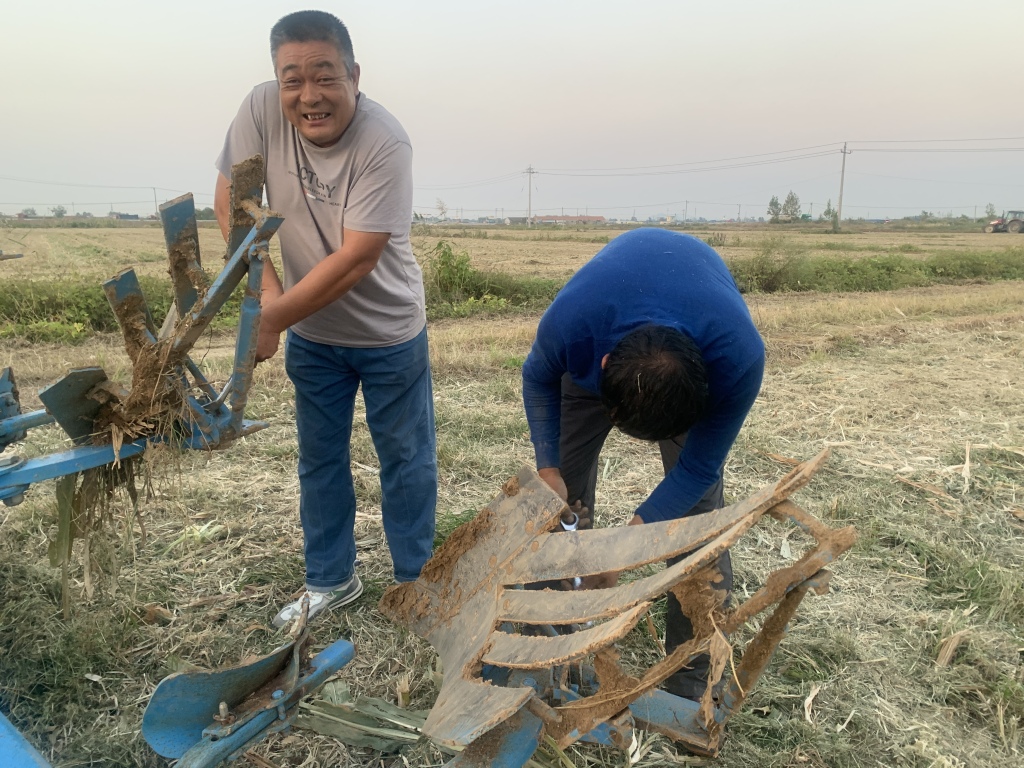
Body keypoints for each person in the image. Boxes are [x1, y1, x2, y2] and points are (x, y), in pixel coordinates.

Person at [214, 10, 436, 628]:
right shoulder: (260, 111)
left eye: (324, 77)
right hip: (314, 336)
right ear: (276, 81)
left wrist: (270, 319)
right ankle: (330, 579)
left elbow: (356, 258)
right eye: (292, 79)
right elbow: (232, 201)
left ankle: (415, 582)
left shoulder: (383, 142)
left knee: (405, 457)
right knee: (319, 457)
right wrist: (268, 297)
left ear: (354, 76)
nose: (308, 96)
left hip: (388, 332)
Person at [521, 227, 764, 700]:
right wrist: (548, 468)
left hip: (685, 370)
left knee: (696, 527)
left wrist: (626, 547)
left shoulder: (738, 361)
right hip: (607, 341)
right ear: (603, 364)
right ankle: (547, 648)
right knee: (556, 505)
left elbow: (696, 469)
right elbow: (537, 376)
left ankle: (691, 680)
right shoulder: (575, 323)